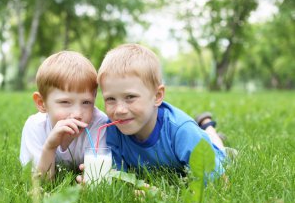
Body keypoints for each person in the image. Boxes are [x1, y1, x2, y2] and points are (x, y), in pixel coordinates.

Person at [96, 43, 230, 179]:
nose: (119, 110)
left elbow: (217, 179)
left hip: (201, 142)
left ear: (157, 96)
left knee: (218, 149)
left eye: (130, 97)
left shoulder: (182, 131)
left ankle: (208, 126)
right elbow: (116, 175)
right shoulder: (113, 129)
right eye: (110, 99)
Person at [20, 51, 108, 180]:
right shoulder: (35, 127)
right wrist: (50, 147)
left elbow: (99, 177)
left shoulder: (98, 124)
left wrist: (90, 180)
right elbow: (38, 182)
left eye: (86, 102)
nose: (77, 114)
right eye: (65, 102)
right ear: (41, 103)